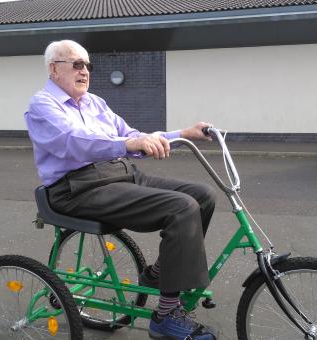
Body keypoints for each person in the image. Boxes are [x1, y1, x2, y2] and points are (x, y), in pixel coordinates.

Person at [24, 40, 218, 340]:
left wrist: (181, 134)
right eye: (76, 64)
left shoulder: (94, 102)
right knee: (182, 207)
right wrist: (126, 144)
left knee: (202, 195)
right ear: (53, 69)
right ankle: (165, 315)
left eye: (88, 65)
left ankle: (157, 275)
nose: (84, 71)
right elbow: (73, 141)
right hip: (77, 187)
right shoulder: (42, 105)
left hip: (118, 173)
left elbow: (131, 135)